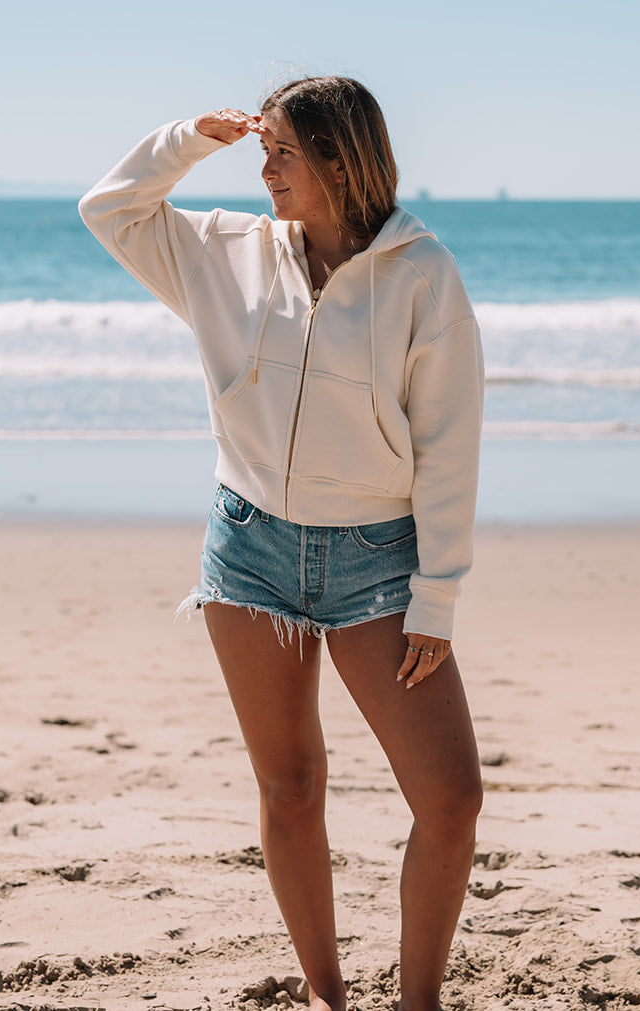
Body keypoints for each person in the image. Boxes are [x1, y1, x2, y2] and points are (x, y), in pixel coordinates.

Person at [79, 76, 485, 1011]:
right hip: (250, 547)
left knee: (451, 798)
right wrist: (189, 139)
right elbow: (110, 208)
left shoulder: (423, 273)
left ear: (342, 161)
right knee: (292, 784)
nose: (264, 171)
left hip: (378, 558)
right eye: (262, 152)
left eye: (283, 152)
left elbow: (449, 444)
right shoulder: (226, 252)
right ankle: (325, 995)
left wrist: (441, 594)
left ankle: (418, 1001)